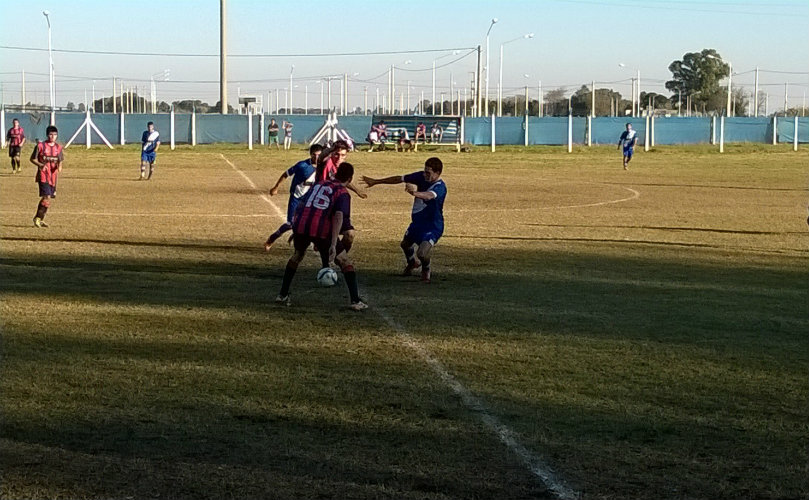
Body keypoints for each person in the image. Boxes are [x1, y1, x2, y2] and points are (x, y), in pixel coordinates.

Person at [276, 162, 368, 311]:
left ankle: (282, 295)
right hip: (320, 228)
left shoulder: (320, 183)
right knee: (344, 260)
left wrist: (296, 228)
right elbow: (338, 217)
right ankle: (355, 301)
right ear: (350, 179)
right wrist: (333, 244)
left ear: (336, 174)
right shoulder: (343, 193)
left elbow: (302, 204)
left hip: (301, 223)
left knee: (297, 255)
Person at [361, 157, 447, 283]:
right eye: (425, 171)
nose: (425, 175)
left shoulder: (440, 187)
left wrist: (414, 193)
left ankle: (426, 269)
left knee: (422, 253)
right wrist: (376, 181)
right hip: (417, 224)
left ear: (437, 173)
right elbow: (399, 179)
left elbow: (429, 196)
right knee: (405, 244)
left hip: (433, 226)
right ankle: (412, 263)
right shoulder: (421, 176)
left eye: (428, 173)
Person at [264, 144, 323, 250]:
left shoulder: (323, 168)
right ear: (310, 155)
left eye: (319, 155)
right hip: (296, 198)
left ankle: (316, 244)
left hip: (309, 201)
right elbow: (286, 174)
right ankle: (272, 239)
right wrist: (276, 187)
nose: (317, 157)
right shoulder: (302, 165)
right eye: (314, 155)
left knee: (313, 222)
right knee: (290, 224)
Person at [315, 140, 367, 255]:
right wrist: (330, 149)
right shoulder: (326, 163)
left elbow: (343, 180)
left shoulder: (341, 167)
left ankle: (340, 257)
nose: (339, 158)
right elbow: (321, 157)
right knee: (322, 243)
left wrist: (357, 191)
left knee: (349, 235)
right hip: (322, 207)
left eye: (343, 155)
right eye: (336, 154)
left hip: (336, 205)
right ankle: (329, 260)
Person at [29, 125, 63, 228]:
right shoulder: (40, 146)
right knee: (46, 196)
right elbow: (32, 159)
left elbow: (60, 161)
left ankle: (39, 218)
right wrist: (41, 165)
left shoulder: (58, 148)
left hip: (53, 177)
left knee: (48, 198)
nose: (53, 136)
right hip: (43, 175)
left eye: (55, 135)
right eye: (51, 134)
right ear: (47, 135)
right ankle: (38, 219)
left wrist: (59, 167)